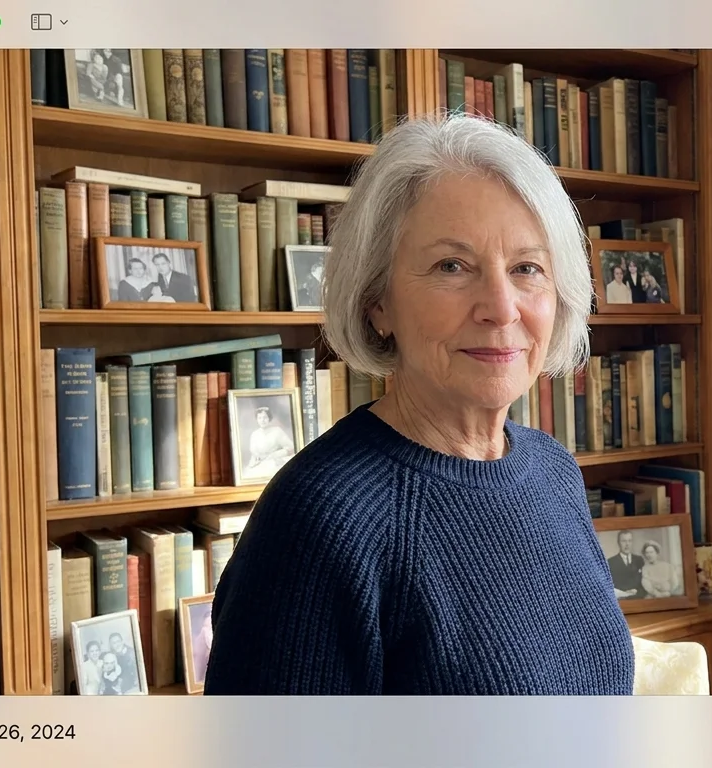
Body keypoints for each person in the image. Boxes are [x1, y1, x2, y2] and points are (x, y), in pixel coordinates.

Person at [203, 113, 634, 695]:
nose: (501, 307)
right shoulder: (320, 520)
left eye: (526, 268)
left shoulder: (551, 470)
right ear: (377, 300)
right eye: (452, 266)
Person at [245, 406, 295, 476]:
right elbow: (253, 450)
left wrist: (275, 455)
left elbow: (290, 447)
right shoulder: (254, 434)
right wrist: (257, 457)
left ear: (269, 418)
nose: (262, 420)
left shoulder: (277, 431)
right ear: (257, 420)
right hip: (260, 462)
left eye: (265, 417)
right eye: (259, 418)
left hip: (275, 461)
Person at [607, 530, 644, 599]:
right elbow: (610, 585)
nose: (627, 544)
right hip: (621, 600)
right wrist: (624, 593)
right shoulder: (610, 562)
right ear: (618, 543)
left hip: (638, 598)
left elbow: (643, 581)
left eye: (629, 541)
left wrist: (637, 591)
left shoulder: (639, 559)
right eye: (624, 541)